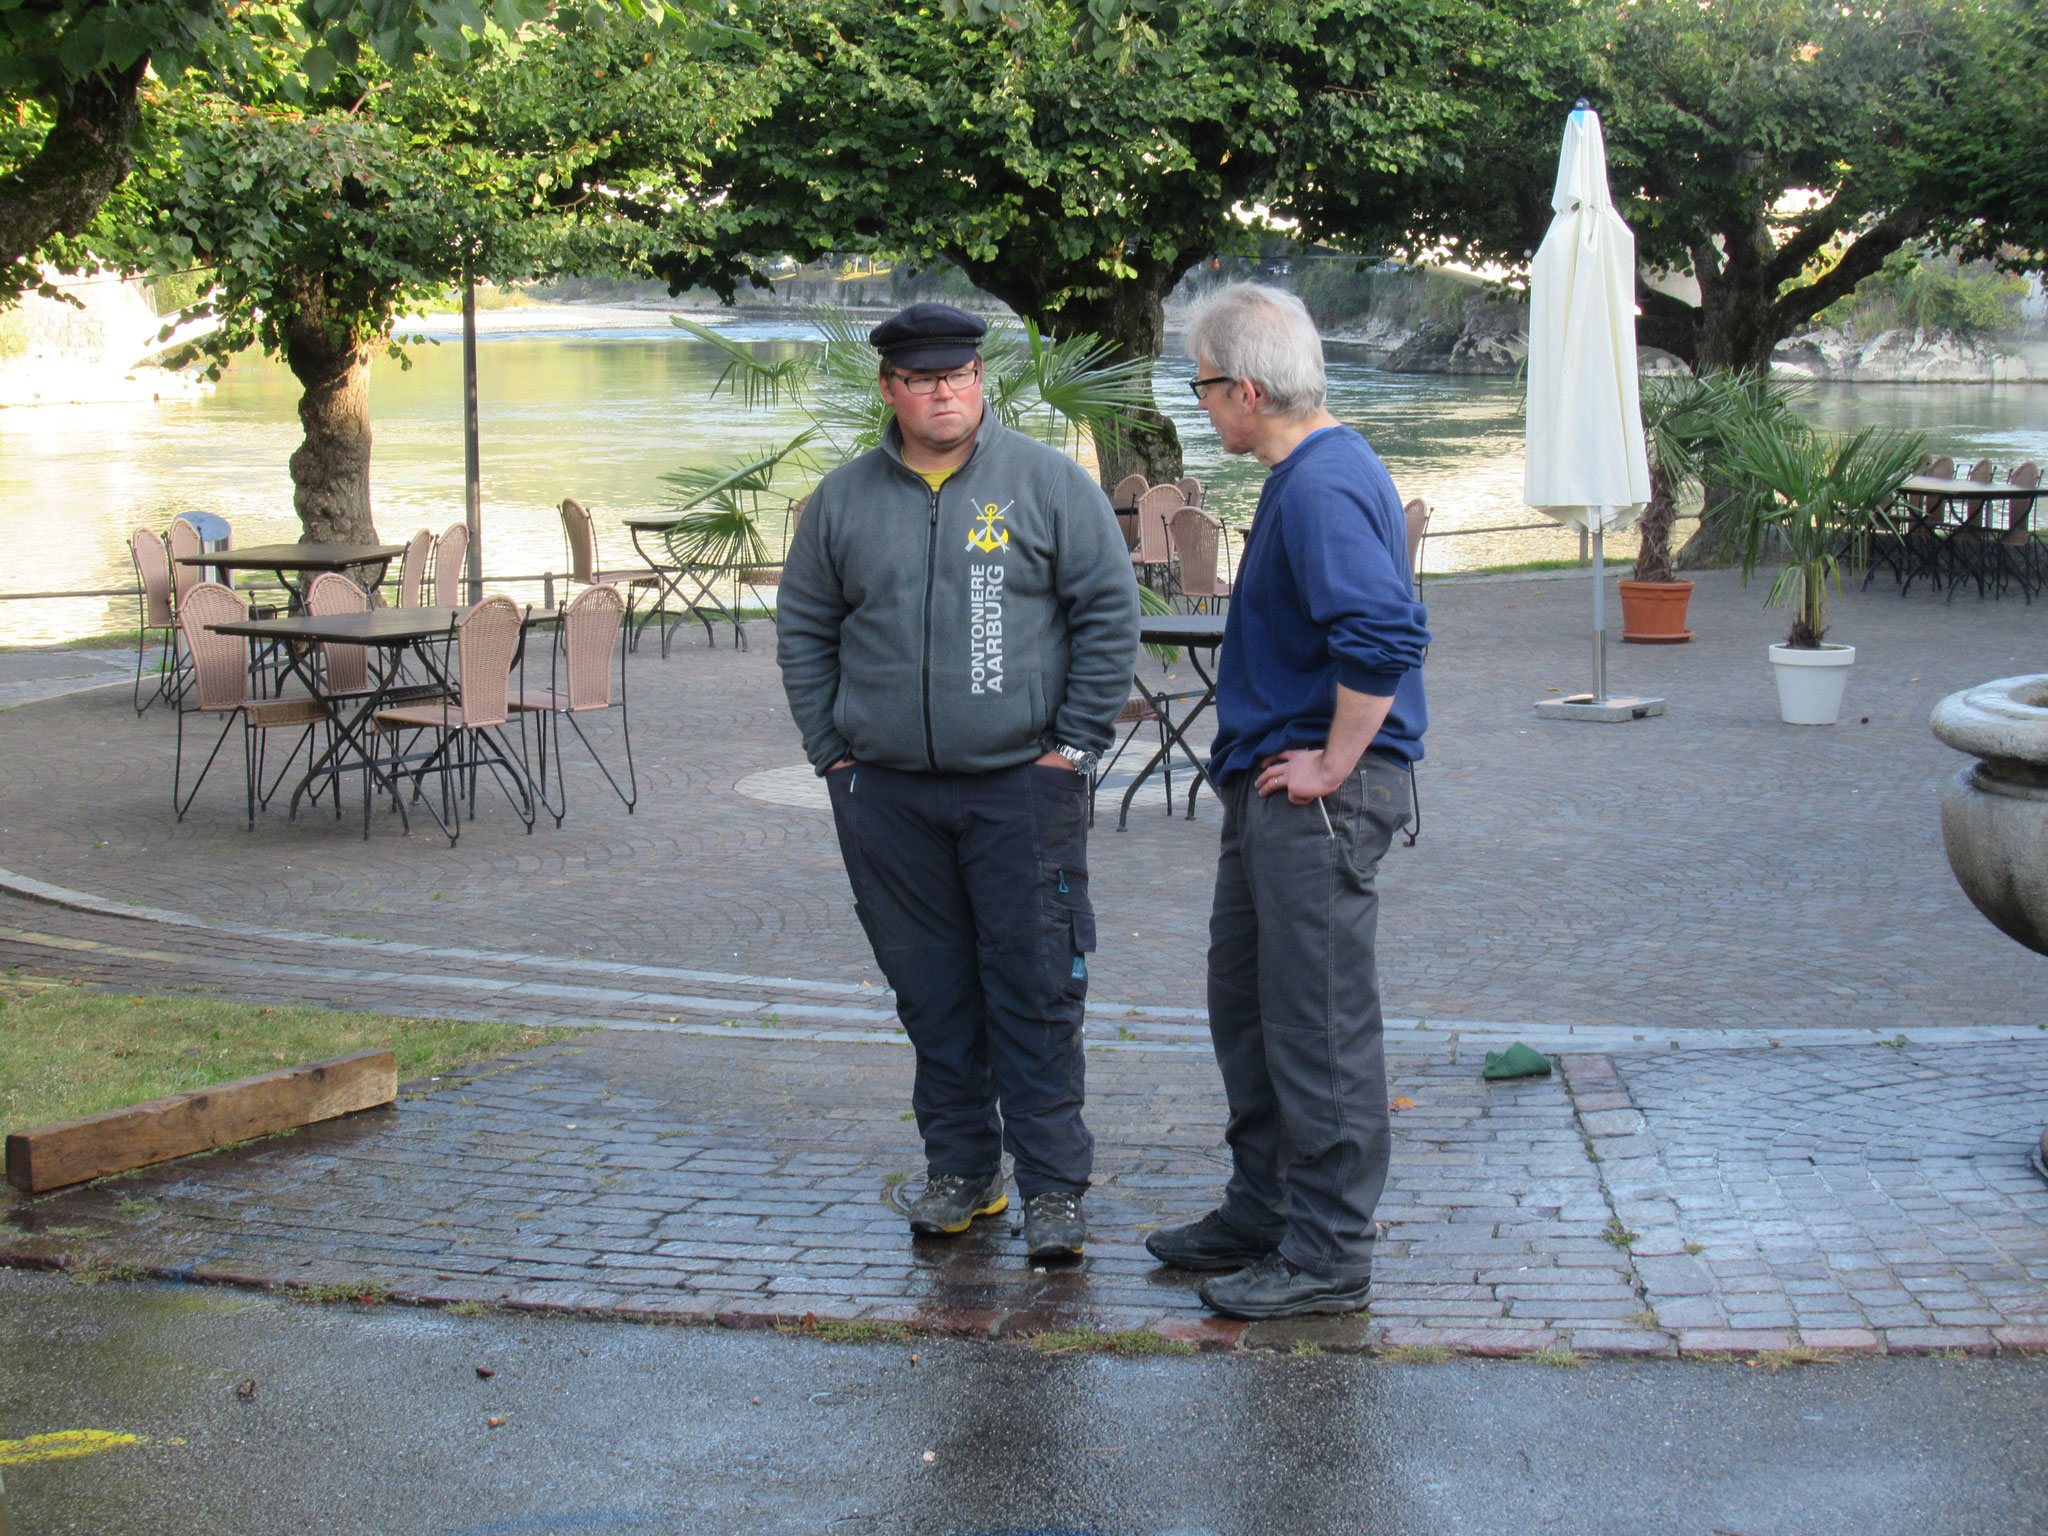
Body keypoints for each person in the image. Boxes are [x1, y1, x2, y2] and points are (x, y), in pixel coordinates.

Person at [776, 301, 1140, 1259]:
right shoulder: (843, 502)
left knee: (1034, 989)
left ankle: (1055, 1188)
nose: (945, 391)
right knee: (932, 992)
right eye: (925, 379)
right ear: (890, 389)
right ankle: (964, 1173)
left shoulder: (1048, 484)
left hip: (1022, 788)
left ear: (982, 381)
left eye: (961, 375)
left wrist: (1073, 745)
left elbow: (1109, 614)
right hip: (886, 796)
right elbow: (805, 631)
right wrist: (832, 751)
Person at [1144, 284, 1429, 1318]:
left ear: (1245, 389)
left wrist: (1333, 762)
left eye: (1202, 385)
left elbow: (1385, 636)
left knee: (1314, 1023)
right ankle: (1262, 1208)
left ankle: (1325, 1251)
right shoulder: (1308, 472)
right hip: (1272, 786)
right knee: (1250, 1006)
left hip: (1313, 798)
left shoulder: (1315, 485)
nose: (1200, 405)